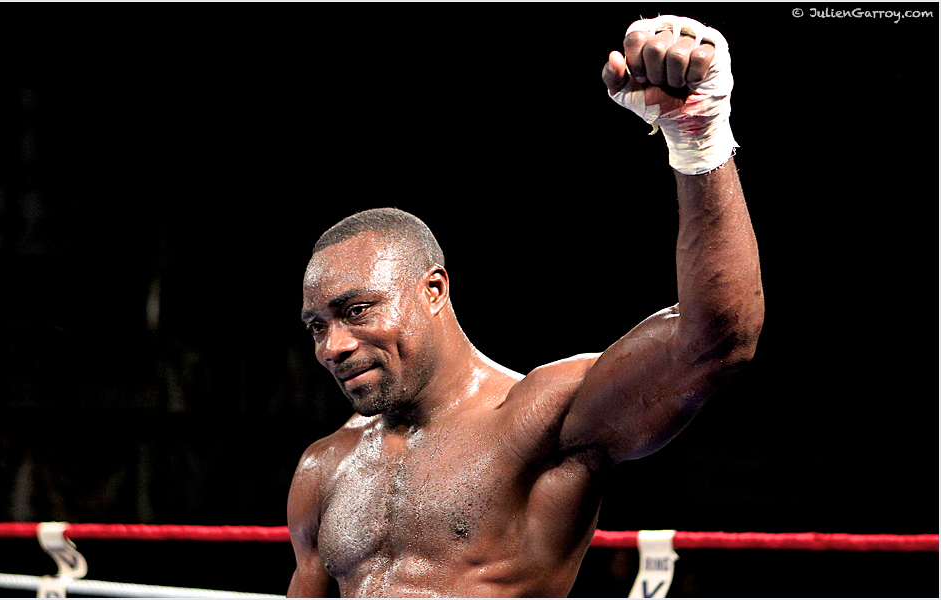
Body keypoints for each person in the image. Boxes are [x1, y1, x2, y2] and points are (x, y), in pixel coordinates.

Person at [287, 15, 764, 598]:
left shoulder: (540, 419)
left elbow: (715, 340)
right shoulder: (323, 467)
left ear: (433, 290)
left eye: (357, 311)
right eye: (317, 326)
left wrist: (698, 136)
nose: (332, 347)